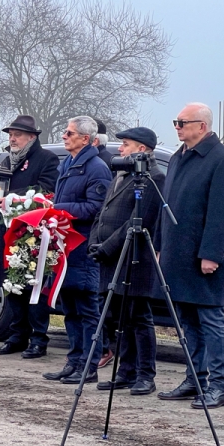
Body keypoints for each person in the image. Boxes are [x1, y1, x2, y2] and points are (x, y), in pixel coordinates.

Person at [155, 103, 224, 409]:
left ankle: (220, 385)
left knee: (210, 319)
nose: (177, 126)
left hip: (203, 257)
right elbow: (167, 206)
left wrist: (211, 254)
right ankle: (194, 378)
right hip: (177, 254)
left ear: (202, 126)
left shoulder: (222, 160)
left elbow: (221, 214)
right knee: (187, 320)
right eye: (176, 121)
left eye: (183, 122)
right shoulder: (177, 157)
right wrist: (160, 245)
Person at [88, 127, 163, 396]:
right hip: (109, 258)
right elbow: (103, 211)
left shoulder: (154, 178)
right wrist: (94, 241)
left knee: (139, 318)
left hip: (134, 259)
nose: (120, 149)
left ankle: (145, 375)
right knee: (119, 319)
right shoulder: (120, 175)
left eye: (126, 145)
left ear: (142, 149)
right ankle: (125, 371)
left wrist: (108, 247)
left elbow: (138, 220)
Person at [43, 116, 111, 385]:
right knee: (69, 308)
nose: (64, 136)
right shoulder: (68, 164)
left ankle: (89, 365)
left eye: (69, 133)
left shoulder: (96, 168)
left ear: (85, 138)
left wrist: (61, 210)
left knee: (87, 309)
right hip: (64, 247)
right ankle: (73, 362)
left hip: (82, 246)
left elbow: (97, 208)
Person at [0, 115, 60, 358]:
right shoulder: (7, 160)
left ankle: (38, 338)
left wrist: (10, 196)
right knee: (11, 283)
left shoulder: (46, 159)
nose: (12, 138)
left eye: (17, 134)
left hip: (31, 233)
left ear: (32, 137)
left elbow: (45, 190)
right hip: (7, 230)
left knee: (32, 284)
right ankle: (17, 335)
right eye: (10, 134)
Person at [92, 118, 116, 369]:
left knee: (100, 298)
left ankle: (105, 347)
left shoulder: (105, 163)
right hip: (97, 238)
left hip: (103, 238)